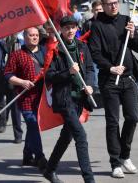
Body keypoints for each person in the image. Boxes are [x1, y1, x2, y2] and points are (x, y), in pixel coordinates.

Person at [88, 0, 138, 179]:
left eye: (115, 2)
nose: (113, 6)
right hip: (110, 80)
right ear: (102, 6)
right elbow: (95, 53)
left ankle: (124, 155)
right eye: (109, 3)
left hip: (128, 79)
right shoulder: (97, 26)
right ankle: (115, 163)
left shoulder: (126, 20)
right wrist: (110, 67)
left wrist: (133, 34)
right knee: (112, 122)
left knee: (133, 117)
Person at [44, 16, 95, 183]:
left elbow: (89, 69)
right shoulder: (55, 49)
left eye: (73, 27)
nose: (70, 31)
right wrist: (69, 72)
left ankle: (49, 169)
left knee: (67, 136)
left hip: (80, 98)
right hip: (65, 100)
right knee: (81, 136)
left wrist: (89, 85)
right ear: (61, 30)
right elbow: (49, 76)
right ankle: (89, 179)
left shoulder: (82, 46)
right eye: (67, 28)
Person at [4, 27, 47, 169]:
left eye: (36, 35)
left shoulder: (46, 52)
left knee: (32, 127)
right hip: (26, 98)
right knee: (33, 124)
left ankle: (27, 156)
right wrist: (22, 82)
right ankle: (40, 157)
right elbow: (8, 75)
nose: (34, 37)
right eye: (31, 35)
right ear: (25, 36)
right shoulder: (16, 55)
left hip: (43, 97)